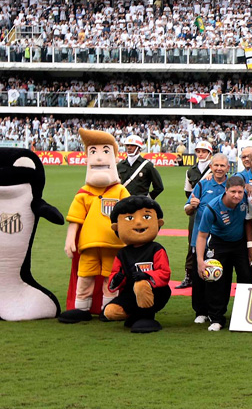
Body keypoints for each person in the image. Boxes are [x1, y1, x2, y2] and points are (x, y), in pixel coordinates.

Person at [60, 129, 131, 324]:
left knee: (111, 278)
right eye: (93, 152)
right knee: (85, 276)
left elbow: (130, 215)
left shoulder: (120, 191)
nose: (99, 157)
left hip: (113, 245)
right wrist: (70, 240)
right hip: (88, 245)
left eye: (105, 151)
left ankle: (107, 309)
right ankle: (81, 308)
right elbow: (75, 219)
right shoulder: (84, 193)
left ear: (115, 159)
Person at [102, 196, 171, 333]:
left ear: (158, 222)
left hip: (155, 292)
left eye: (146, 217)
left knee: (141, 284)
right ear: (117, 227)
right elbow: (114, 275)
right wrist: (117, 279)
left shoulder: (156, 249)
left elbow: (164, 273)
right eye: (129, 218)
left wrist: (146, 275)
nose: (138, 222)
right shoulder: (122, 253)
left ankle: (147, 316)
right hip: (129, 293)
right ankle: (134, 315)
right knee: (110, 312)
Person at [195, 175, 251, 331]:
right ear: (226, 190)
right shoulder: (212, 208)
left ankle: (244, 314)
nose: (236, 196)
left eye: (240, 192)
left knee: (246, 276)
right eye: (233, 192)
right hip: (219, 244)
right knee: (218, 280)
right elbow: (202, 236)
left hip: (240, 243)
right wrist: (200, 260)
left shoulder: (246, 198)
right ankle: (216, 318)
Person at [184, 153, 230, 323]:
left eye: (222, 166)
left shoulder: (231, 185)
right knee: (199, 276)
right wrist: (191, 206)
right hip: (200, 237)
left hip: (220, 240)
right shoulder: (202, 185)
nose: (219, 168)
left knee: (220, 277)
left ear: (228, 168)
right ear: (211, 167)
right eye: (216, 165)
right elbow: (187, 208)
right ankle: (200, 312)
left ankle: (216, 311)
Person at [179, 140, 213, 290]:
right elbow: (188, 192)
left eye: (204, 151)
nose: (201, 154)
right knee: (192, 243)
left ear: (210, 153)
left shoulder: (215, 168)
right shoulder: (190, 171)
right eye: (198, 151)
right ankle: (189, 275)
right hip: (196, 211)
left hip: (212, 210)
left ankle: (212, 271)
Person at [117, 135, 164, 199]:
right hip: (124, 202)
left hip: (141, 203)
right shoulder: (120, 165)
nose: (129, 147)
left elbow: (159, 187)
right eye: (127, 145)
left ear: (138, 147)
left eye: (132, 145)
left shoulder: (147, 165)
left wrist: (148, 198)